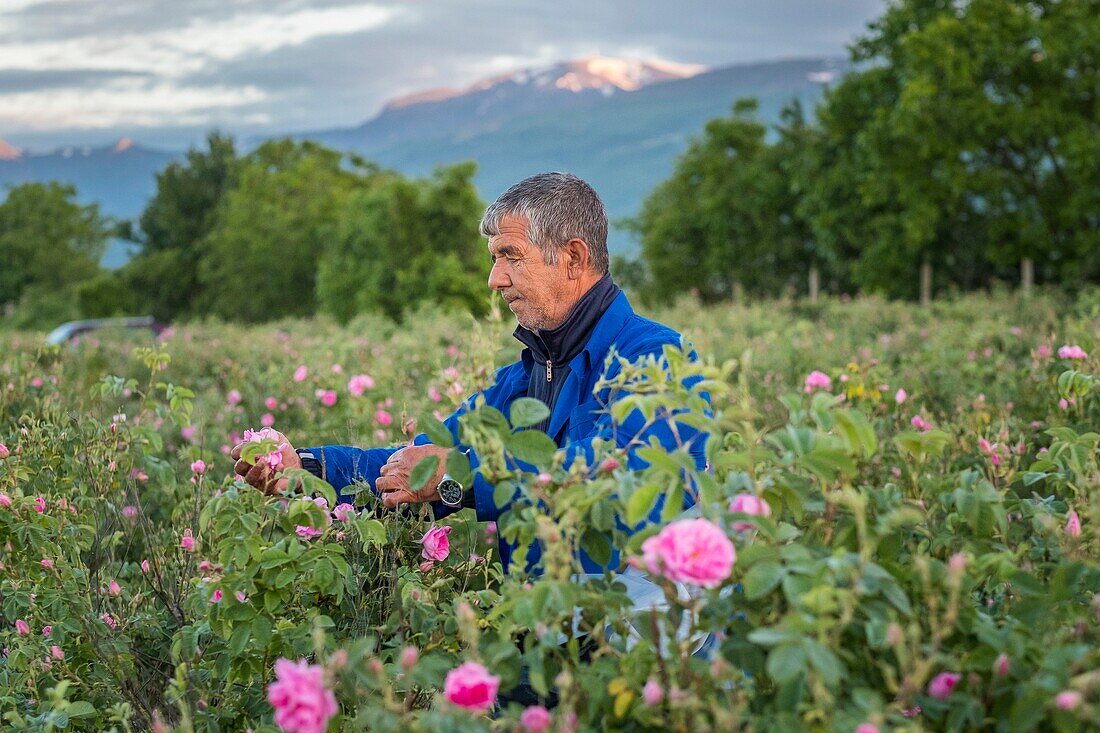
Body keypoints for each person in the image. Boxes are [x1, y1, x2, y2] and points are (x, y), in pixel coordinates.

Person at [232, 172, 707, 573]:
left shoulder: (657, 359)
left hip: (641, 655)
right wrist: (306, 471)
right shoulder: (523, 381)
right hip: (540, 645)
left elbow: (627, 481)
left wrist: (462, 479)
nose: (494, 278)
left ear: (573, 259)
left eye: (511, 256)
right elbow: (415, 467)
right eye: (494, 259)